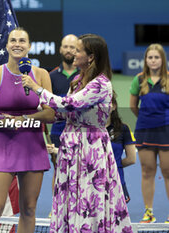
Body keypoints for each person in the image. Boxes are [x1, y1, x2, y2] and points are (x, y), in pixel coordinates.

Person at [22, 34, 133, 232]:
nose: (73, 52)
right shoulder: (78, 80)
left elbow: (69, 104)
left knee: (89, 198)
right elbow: (67, 114)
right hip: (71, 147)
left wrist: (37, 89)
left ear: (90, 57)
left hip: (90, 150)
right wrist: (41, 112)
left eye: (78, 50)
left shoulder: (100, 83)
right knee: (72, 196)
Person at [0, 27, 54, 233]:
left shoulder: (41, 75)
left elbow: (51, 114)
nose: (17, 44)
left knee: (29, 209)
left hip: (33, 147)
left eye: (22, 41)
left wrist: (25, 118)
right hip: (3, 148)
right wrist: (3, 123)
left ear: (29, 46)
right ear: (7, 45)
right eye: (13, 40)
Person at [129, 43, 169, 224]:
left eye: (157, 57)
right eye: (150, 57)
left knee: (168, 171)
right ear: (146, 60)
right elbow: (132, 106)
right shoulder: (139, 79)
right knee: (147, 171)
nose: (153, 60)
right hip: (144, 130)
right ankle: (148, 212)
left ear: (163, 59)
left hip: (166, 131)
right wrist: (147, 120)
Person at [49, 34, 79, 148]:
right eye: (65, 47)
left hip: (79, 131)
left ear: (78, 50)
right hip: (57, 132)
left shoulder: (85, 76)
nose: (68, 50)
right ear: (60, 49)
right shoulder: (51, 76)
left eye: (72, 47)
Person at [107, 92, 136, 203]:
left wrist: (114, 165)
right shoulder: (90, 128)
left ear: (114, 106)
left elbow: (131, 159)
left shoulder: (123, 128)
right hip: (94, 182)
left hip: (117, 180)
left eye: (108, 103)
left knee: (116, 217)